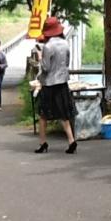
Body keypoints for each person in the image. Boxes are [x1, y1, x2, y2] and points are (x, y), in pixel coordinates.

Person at [34, 16, 77, 155]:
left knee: (43, 114)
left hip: (50, 84)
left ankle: (42, 142)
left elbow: (45, 68)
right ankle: (71, 140)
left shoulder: (48, 46)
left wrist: (40, 58)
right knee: (64, 114)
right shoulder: (65, 44)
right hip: (63, 82)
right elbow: (67, 63)